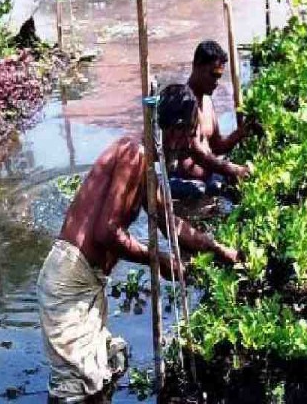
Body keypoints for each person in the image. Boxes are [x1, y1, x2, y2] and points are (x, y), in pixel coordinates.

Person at [37, 84, 240, 403]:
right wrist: (157, 259)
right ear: (174, 131)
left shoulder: (146, 168)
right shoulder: (134, 155)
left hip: (87, 283)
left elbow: (170, 222)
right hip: (69, 281)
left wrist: (214, 247)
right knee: (73, 391)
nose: (190, 145)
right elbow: (107, 231)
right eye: (190, 134)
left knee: (104, 371)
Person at [168, 40, 254, 203]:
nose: (216, 82)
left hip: (206, 179)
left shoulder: (207, 102)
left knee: (230, 187)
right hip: (183, 182)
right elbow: (198, 154)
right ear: (197, 66)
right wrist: (234, 169)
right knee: (207, 188)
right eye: (212, 75)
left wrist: (241, 133)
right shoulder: (184, 102)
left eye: (219, 77)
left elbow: (216, 146)